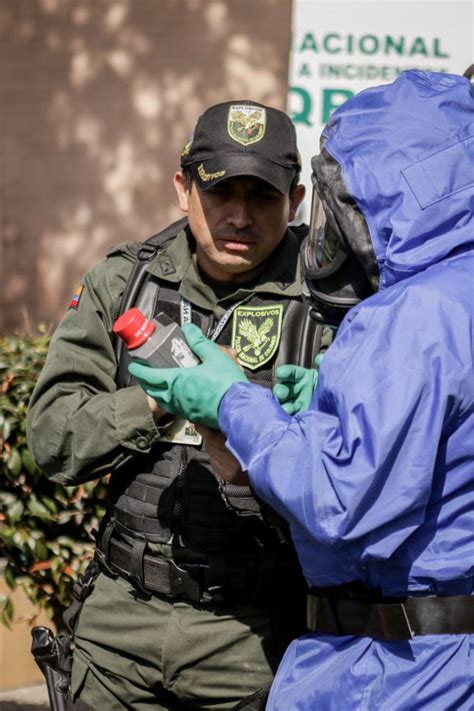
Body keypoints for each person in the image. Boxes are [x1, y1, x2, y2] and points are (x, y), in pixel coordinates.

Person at [128, 70, 474, 710]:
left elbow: (340, 503)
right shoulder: (457, 291)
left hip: (399, 669)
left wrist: (232, 400)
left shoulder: (416, 312)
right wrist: (319, 410)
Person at [27, 99, 332, 709]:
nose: (240, 217)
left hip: (254, 638)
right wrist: (155, 403)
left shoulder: (330, 303)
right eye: (221, 192)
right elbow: (51, 440)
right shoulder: (124, 283)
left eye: (262, 196)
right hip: (118, 628)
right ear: (182, 188)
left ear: (295, 202)